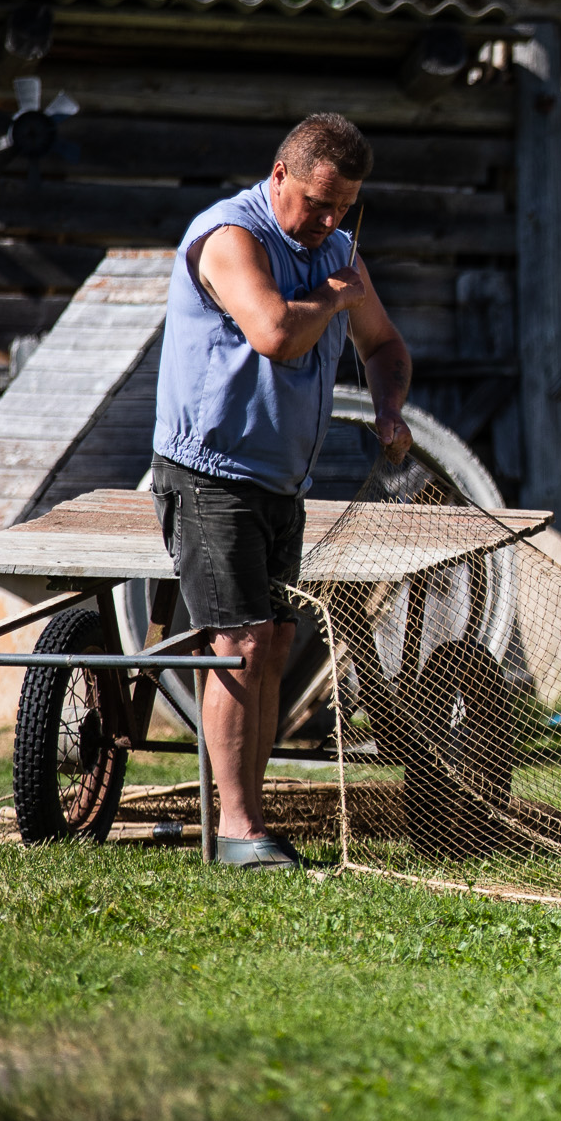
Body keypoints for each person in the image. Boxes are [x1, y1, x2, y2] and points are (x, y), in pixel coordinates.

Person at [151, 113, 412, 868]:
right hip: (210, 472)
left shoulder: (335, 254)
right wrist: (334, 300)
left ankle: (251, 819)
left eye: (346, 208)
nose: (331, 222)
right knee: (236, 644)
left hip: (281, 482)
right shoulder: (232, 238)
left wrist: (389, 405)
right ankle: (236, 829)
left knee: (273, 646)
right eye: (319, 203)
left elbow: (385, 344)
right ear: (279, 177)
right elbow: (272, 332)